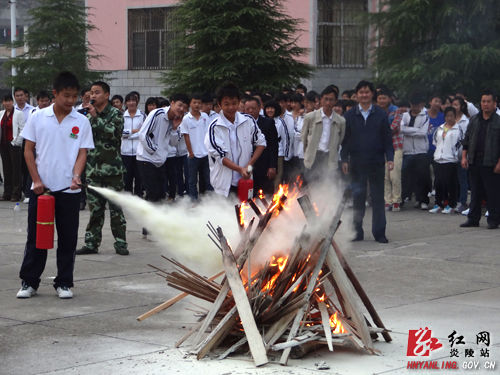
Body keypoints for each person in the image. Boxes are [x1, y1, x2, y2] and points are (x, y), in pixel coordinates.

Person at [16, 71, 94, 299]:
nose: (70, 101)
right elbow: (28, 151)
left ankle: (64, 282)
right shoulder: (38, 117)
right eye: (66, 96)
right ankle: (29, 282)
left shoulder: (81, 121)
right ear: (55, 94)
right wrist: (36, 180)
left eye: (74, 96)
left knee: (68, 238)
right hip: (42, 190)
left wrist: (76, 176)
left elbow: (82, 153)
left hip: (69, 190)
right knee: (37, 237)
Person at [76, 81, 128, 256]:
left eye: (97, 92)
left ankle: (121, 243)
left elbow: (113, 133)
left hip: (113, 171)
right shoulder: (86, 116)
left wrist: (96, 117)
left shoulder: (116, 114)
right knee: (95, 210)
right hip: (93, 170)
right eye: (91, 92)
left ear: (107, 95)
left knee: (116, 210)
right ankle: (91, 243)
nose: (93, 96)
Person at [341, 80, 394, 243]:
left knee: (378, 198)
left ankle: (379, 233)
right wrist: (344, 159)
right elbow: (345, 140)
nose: (364, 95)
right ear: (357, 95)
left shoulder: (380, 114)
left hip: (376, 161)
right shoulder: (349, 116)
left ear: (372, 94)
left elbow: (387, 138)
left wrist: (390, 158)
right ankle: (357, 231)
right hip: (356, 161)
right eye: (361, 92)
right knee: (358, 197)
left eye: (367, 92)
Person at [205, 82, 266, 197]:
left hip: (245, 180)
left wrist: (248, 166)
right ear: (219, 104)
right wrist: (240, 169)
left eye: (234, 103)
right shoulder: (214, 127)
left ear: (239, 102)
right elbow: (220, 157)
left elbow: (261, 143)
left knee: (246, 212)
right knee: (227, 214)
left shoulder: (248, 120)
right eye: (226, 104)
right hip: (224, 184)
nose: (231, 107)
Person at [136, 94, 189, 205]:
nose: (182, 109)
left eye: (185, 108)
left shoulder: (177, 120)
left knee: (161, 195)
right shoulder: (157, 114)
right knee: (153, 195)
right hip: (146, 159)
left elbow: (173, 143)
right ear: (172, 103)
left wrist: (174, 128)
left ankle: (156, 219)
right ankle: (150, 220)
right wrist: (154, 151)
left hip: (160, 162)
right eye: (180, 105)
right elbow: (143, 134)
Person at [460, 89, 500, 229]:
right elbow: (467, 139)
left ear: (495, 103)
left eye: (489, 101)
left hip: (491, 162)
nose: (486, 104)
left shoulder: (498, 121)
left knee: (492, 193)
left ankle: (494, 220)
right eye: (483, 101)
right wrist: (464, 157)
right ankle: (473, 219)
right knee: (475, 192)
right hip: (474, 161)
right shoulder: (474, 119)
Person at [302, 85, 345, 184]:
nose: (328, 103)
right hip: (313, 157)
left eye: (331, 100)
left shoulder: (340, 121)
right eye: (326, 99)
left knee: (327, 186)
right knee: (309, 188)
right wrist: (308, 154)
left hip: (329, 158)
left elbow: (339, 141)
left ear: (335, 101)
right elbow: (304, 139)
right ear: (320, 100)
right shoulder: (310, 117)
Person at [400, 93, 431, 210]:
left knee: (422, 176)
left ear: (421, 105)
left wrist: (408, 130)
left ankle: (422, 200)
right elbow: (401, 129)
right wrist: (415, 130)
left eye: (417, 105)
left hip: (421, 150)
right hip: (407, 150)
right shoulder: (404, 116)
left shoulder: (425, 116)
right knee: (405, 175)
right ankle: (402, 198)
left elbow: (423, 133)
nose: (415, 108)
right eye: (413, 105)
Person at [428, 107, 462, 214]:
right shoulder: (440, 128)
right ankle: (438, 203)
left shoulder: (458, 129)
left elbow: (460, 145)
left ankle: (451, 204)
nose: (449, 118)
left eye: (451, 116)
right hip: (439, 159)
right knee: (438, 183)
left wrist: (455, 155)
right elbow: (435, 142)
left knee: (450, 183)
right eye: (447, 116)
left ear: (455, 116)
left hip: (450, 160)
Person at [180, 94, 213, 201]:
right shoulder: (186, 119)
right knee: (192, 180)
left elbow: (209, 134)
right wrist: (191, 152)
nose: (197, 105)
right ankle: (193, 200)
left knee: (208, 179)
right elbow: (186, 136)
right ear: (190, 104)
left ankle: (209, 200)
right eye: (194, 102)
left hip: (205, 154)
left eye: (199, 103)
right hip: (192, 155)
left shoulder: (205, 117)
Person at [244, 97, 278, 195]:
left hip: (264, 164)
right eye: (247, 109)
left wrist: (273, 166)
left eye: (253, 108)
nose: (250, 111)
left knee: (265, 193)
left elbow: (273, 146)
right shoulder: (240, 125)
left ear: (259, 108)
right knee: (249, 193)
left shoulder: (268, 123)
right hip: (247, 164)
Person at [0, 95, 25, 201]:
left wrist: (16, 142)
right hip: (3, 144)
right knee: (6, 169)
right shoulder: (1, 113)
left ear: (12, 102)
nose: (7, 103)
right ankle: (7, 192)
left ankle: (16, 193)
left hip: (14, 144)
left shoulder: (19, 113)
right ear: (2, 103)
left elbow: (22, 129)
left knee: (16, 170)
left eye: (9, 101)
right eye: (5, 101)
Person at [384, 101, 408, 212]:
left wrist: (381, 133)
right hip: (382, 147)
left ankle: (396, 200)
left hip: (395, 146)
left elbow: (394, 127)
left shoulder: (396, 111)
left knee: (395, 174)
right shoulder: (376, 111)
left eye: (384, 98)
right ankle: (387, 201)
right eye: (380, 98)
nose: (382, 100)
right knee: (385, 176)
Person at [121, 92, 144, 196]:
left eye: (133, 100)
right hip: (125, 152)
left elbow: (144, 132)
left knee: (139, 177)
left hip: (139, 152)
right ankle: (128, 198)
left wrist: (128, 134)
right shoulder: (121, 116)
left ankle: (139, 196)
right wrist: (133, 131)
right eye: (129, 101)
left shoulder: (142, 115)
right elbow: (119, 132)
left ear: (137, 102)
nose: (131, 103)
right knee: (127, 177)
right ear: (125, 103)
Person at [451, 97, 470, 213]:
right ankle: (453, 200)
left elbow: (466, 139)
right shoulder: (449, 119)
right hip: (450, 155)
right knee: (453, 179)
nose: (454, 107)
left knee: (462, 179)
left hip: (461, 154)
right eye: (453, 104)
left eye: (456, 105)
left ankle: (462, 202)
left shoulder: (466, 121)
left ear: (462, 107)